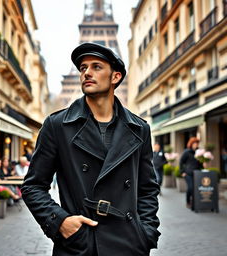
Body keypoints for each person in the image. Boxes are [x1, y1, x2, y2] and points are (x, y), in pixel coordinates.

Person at [21, 42, 160, 256]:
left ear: (115, 77)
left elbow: (147, 189)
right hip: (80, 243)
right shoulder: (57, 125)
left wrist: (145, 233)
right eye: (83, 68)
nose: (87, 73)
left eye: (96, 67)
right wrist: (60, 221)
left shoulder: (139, 129)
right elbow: (33, 186)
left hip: (128, 244)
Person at [179, 137, 202, 209]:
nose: (196, 145)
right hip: (188, 173)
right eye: (194, 143)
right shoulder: (186, 152)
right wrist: (182, 172)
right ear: (191, 144)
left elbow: (200, 164)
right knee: (190, 187)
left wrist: (203, 164)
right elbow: (181, 162)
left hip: (197, 173)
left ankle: (194, 202)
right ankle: (188, 201)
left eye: (197, 143)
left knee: (195, 189)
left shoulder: (198, 152)